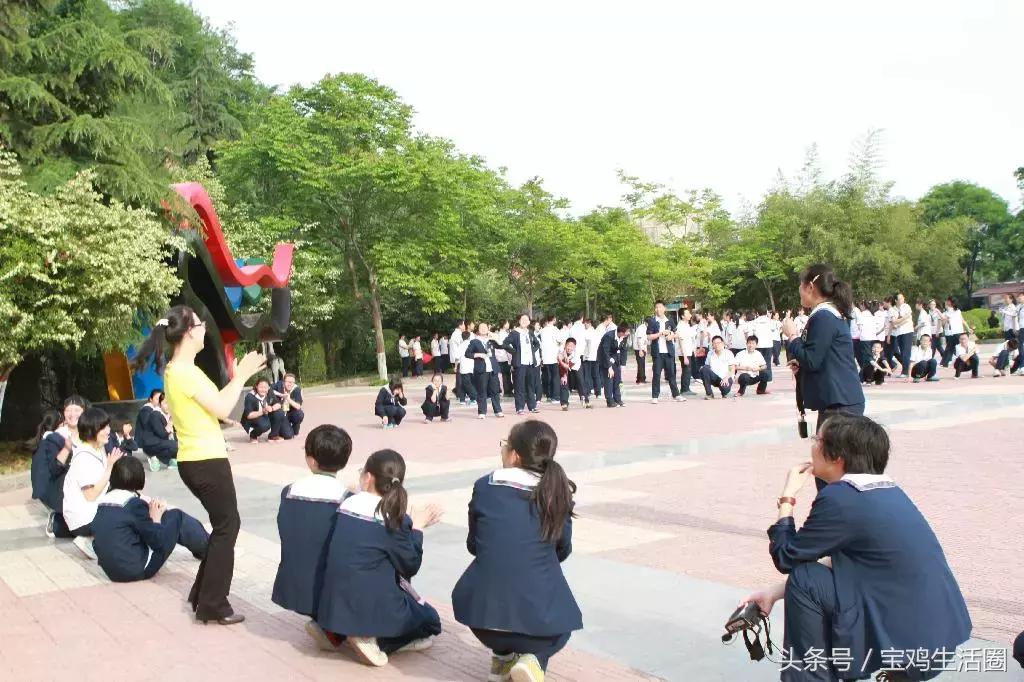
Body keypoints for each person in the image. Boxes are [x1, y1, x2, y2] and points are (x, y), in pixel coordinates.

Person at [740, 414, 971, 681]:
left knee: (805, 579)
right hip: (934, 637)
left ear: (837, 456)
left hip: (909, 649)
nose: (812, 445)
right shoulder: (885, 491)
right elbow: (848, 562)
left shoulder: (842, 497)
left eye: (818, 439)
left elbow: (786, 556)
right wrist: (772, 593)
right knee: (810, 578)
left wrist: (787, 497)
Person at [131, 304, 266, 625]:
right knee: (227, 527)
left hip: (199, 457)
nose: (206, 328)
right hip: (205, 460)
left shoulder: (180, 370)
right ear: (189, 332)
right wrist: (243, 374)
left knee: (224, 526)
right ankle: (213, 603)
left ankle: (203, 595)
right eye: (201, 324)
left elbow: (210, 410)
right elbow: (222, 406)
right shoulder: (184, 371)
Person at [452, 421, 582, 681]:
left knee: (500, 580)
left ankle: (502, 658)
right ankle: (534, 660)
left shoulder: (485, 486)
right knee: (563, 624)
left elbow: (474, 544)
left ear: (514, 455)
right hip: (540, 626)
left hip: (481, 618)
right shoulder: (556, 492)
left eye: (504, 445)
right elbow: (563, 548)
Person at [316, 449, 444, 667]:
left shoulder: (345, 507)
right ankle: (372, 639)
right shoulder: (394, 519)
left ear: (367, 478)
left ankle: (337, 632)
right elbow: (409, 565)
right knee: (430, 621)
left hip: (331, 603)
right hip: (369, 606)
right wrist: (418, 528)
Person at [272, 425, 353, 648]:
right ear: (345, 460)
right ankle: (337, 628)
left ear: (310, 460)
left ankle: (327, 626)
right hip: (330, 590)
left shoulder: (289, 491)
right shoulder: (347, 499)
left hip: (294, 588)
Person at [92, 456, 208, 582]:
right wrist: (156, 517)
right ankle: (209, 549)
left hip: (111, 571)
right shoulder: (134, 504)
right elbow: (157, 541)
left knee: (161, 521)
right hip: (135, 569)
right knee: (176, 517)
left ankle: (204, 546)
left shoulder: (103, 502)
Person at [781, 264, 864, 433]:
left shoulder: (824, 316)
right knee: (834, 457)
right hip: (839, 400)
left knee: (831, 458)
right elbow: (821, 356)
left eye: (800, 285)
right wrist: (801, 363)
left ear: (810, 287)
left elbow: (812, 360)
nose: (799, 290)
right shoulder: (829, 313)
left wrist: (792, 336)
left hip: (839, 403)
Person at [62, 407, 123, 559]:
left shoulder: (98, 449)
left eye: (108, 426)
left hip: (93, 511)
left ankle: (96, 540)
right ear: (91, 430)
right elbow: (90, 495)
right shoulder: (83, 457)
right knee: (128, 516)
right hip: (83, 519)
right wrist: (109, 466)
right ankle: (91, 541)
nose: (108, 430)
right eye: (103, 427)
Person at [30, 408, 74, 539]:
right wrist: (67, 448)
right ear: (59, 424)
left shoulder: (46, 438)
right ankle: (55, 522)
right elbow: (56, 467)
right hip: (50, 490)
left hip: (44, 489)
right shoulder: (53, 439)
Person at [646, 300, 684, 404]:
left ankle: (676, 394)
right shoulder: (652, 321)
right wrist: (660, 333)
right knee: (657, 374)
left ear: (664, 308)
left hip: (669, 352)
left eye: (660, 307)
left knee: (671, 374)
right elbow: (649, 336)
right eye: (656, 307)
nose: (658, 309)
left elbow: (677, 334)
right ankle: (655, 396)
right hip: (657, 352)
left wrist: (671, 336)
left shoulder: (670, 320)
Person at [465, 322, 504, 419]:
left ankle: (498, 410)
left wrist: (494, 337)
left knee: (495, 390)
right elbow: (467, 354)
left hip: (492, 368)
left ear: (488, 328)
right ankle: (482, 412)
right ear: (478, 330)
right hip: (481, 369)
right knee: (482, 391)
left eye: (485, 327)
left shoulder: (491, 341)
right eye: (481, 327)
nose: (483, 329)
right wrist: (478, 355)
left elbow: (502, 345)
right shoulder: (475, 341)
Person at [503, 313, 540, 415]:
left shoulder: (530, 332)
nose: (524, 321)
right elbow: (505, 344)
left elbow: (537, 343)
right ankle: (519, 407)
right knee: (519, 386)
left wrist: (533, 350)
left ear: (529, 322)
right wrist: (514, 352)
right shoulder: (515, 333)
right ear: (519, 321)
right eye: (522, 319)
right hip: (520, 363)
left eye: (526, 319)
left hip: (530, 363)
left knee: (530, 385)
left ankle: (532, 406)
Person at [135, 389, 178, 471]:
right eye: (165, 403)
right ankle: (156, 457)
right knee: (176, 445)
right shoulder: (154, 413)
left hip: (158, 442)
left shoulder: (166, 414)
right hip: (151, 443)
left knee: (178, 442)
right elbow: (161, 433)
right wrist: (170, 424)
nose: (168, 406)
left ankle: (166, 459)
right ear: (159, 404)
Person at [241, 377, 288, 443]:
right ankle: (253, 435)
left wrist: (272, 408)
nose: (263, 389)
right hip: (254, 417)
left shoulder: (270, 392)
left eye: (265, 387)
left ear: (269, 388)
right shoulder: (250, 396)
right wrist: (263, 411)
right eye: (261, 387)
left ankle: (273, 436)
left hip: (266, 413)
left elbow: (278, 404)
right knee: (265, 425)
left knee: (280, 413)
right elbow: (249, 415)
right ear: (256, 386)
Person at [598, 323, 630, 408]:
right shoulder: (609, 336)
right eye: (627, 331)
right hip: (605, 358)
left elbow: (624, 350)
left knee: (617, 379)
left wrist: (623, 364)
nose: (628, 333)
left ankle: (618, 399)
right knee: (609, 379)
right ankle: (610, 401)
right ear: (621, 332)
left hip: (615, 357)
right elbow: (605, 352)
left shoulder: (624, 337)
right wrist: (609, 367)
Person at [557, 337, 588, 410]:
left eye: (572, 346)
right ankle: (564, 403)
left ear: (575, 347)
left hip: (576, 367)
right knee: (563, 382)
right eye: (568, 346)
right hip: (564, 368)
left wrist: (562, 360)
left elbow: (568, 365)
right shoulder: (561, 351)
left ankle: (585, 400)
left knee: (580, 382)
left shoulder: (577, 353)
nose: (570, 348)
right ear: (565, 345)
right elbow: (561, 366)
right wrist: (563, 375)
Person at [272, 373, 305, 437]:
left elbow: (298, 406)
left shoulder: (297, 390)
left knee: (300, 414)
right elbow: (268, 389)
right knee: (288, 435)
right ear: (283, 382)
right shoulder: (278, 385)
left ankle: (294, 430)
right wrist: (281, 395)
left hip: (291, 413)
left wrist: (288, 399)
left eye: (292, 382)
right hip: (281, 414)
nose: (290, 384)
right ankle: (285, 429)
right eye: (288, 382)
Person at [540, 316, 561, 404]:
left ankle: (548, 395)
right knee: (555, 377)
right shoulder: (555, 330)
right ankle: (555, 396)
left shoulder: (542, 330)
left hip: (545, 357)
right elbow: (560, 340)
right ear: (553, 320)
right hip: (554, 356)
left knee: (547, 376)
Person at [939, 298, 966, 367]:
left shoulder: (952, 311)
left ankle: (945, 363)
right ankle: (944, 363)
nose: (945, 303)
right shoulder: (953, 311)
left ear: (949, 303)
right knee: (951, 348)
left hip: (955, 333)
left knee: (954, 348)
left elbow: (943, 319)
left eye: (946, 302)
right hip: (954, 333)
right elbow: (944, 322)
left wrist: (937, 311)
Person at [632, 319, 648, 383]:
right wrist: (641, 350)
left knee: (641, 363)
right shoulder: (642, 328)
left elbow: (644, 339)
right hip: (639, 348)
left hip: (641, 348)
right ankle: (641, 379)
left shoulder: (645, 328)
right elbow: (639, 339)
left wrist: (645, 348)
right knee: (641, 364)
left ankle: (640, 378)